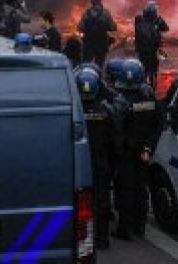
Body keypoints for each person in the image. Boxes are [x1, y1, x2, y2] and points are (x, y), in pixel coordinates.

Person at [112, 59, 162, 240]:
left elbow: (115, 128)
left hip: (125, 152)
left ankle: (124, 229)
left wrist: (116, 151)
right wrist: (149, 147)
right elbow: (159, 122)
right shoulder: (149, 97)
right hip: (144, 151)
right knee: (141, 188)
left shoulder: (120, 99)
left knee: (125, 189)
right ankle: (140, 226)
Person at [76, 65, 120, 250]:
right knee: (101, 203)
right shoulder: (106, 111)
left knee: (80, 206)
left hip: (78, 167)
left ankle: (83, 242)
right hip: (101, 165)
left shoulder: (73, 113)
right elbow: (115, 141)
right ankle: (102, 240)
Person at [132, 1, 168, 85]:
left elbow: (166, 28)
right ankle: (149, 85)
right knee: (150, 69)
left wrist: (159, 21)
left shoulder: (141, 19)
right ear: (152, 11)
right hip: (150, 50)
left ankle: (147, 84)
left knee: (148, 69)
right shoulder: (144, 20)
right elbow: (166, 28)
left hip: (147, 50)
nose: (156, 12)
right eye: (155, 11)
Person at [80, 0, 117, 65]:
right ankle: (99, 75)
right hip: (101, 44)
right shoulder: (106, 13)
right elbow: (113, 27)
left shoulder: (86, 13)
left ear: (92, 3)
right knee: (100, 63)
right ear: (100, 2)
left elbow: (80, 28)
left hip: (89, 43)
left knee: (86, 64)